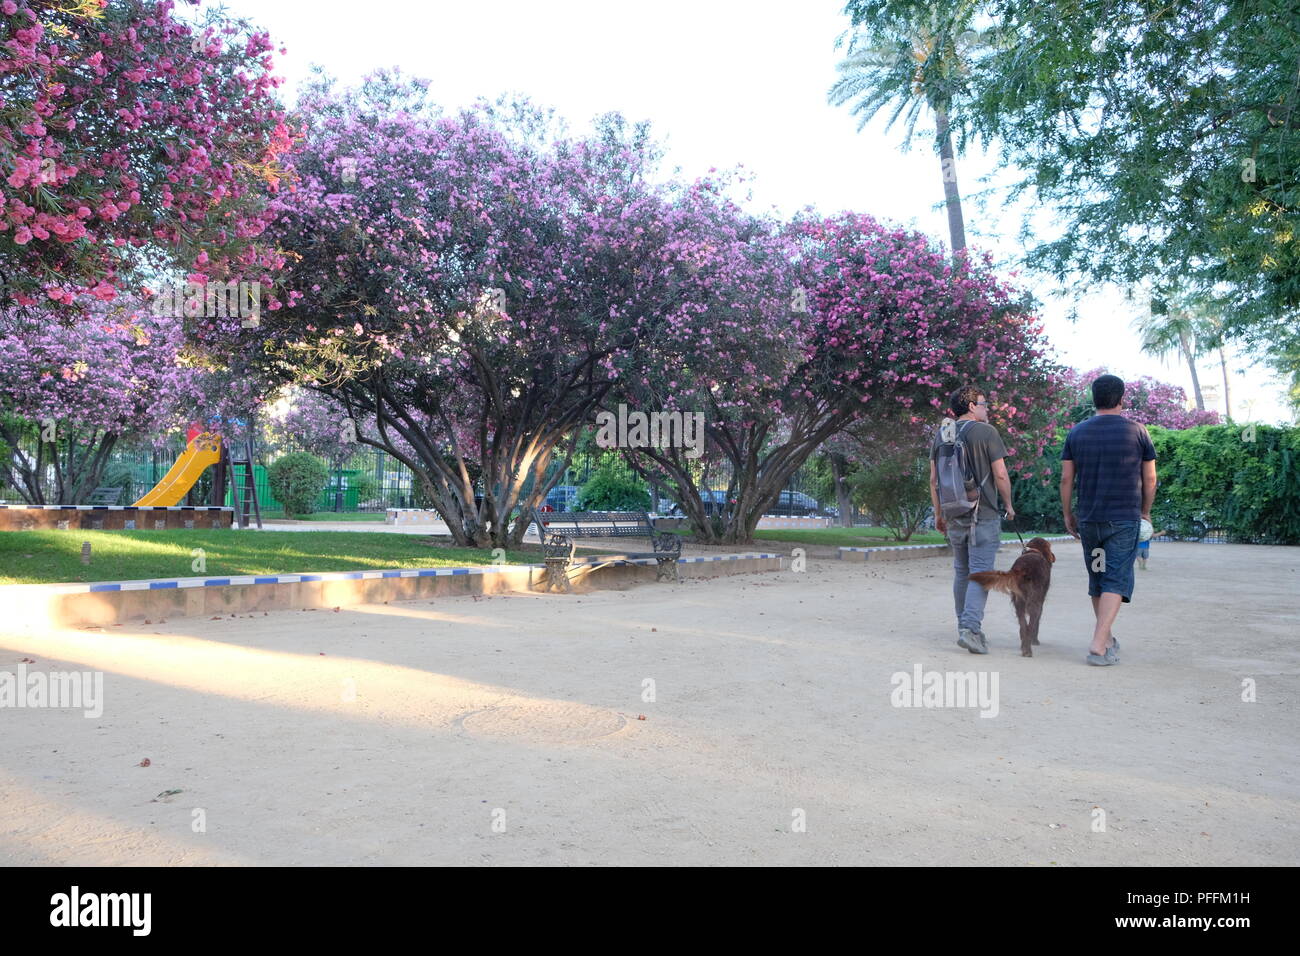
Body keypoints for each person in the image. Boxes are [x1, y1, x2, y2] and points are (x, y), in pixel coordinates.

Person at [1060, 374, 1158, 666]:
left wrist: (1067, 513)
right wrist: (1146, 511)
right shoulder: (1137, 431)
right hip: (1123, 521)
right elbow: (1150, 478)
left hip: (1091, 521)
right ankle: (1098, 643)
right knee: (1115, 579)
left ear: (1094, 398)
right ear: (1121, 399)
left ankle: (1107, 639)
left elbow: (1067, 478)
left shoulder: (1076, 433)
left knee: (1099, 578)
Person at [929, 385, 1017, 654]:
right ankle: (970, 629)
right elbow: (1000, 474)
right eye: (983, 403)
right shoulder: (987, 432)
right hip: (984, 514)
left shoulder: (942, 435)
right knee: (980, 573)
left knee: (961, 571)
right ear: (971, 406)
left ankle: (963, 626)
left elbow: (934, 480)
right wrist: (1009, 505)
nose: (986, 407)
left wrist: (938, 513)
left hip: (954, 512)